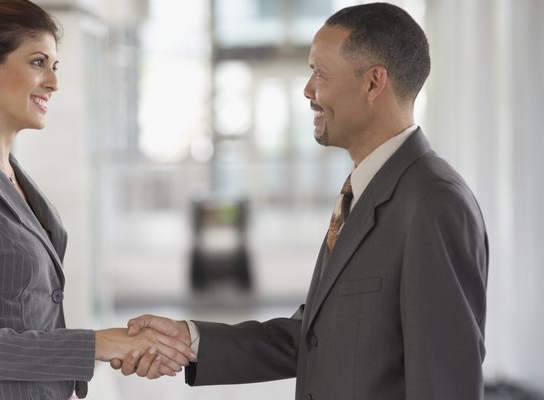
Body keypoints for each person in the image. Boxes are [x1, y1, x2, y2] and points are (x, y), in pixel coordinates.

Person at [113, 3, 489, 399]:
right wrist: (189, 339)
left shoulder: (433, 204)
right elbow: (312, 337)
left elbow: (446, 384)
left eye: (320, 73)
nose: (307, 90)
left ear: (374, 83)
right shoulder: (363, 191)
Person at [0, 1, 193, 399]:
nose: (53, 82)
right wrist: (96, 344)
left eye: (54, 66)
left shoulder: (11, 175)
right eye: (38, 62)